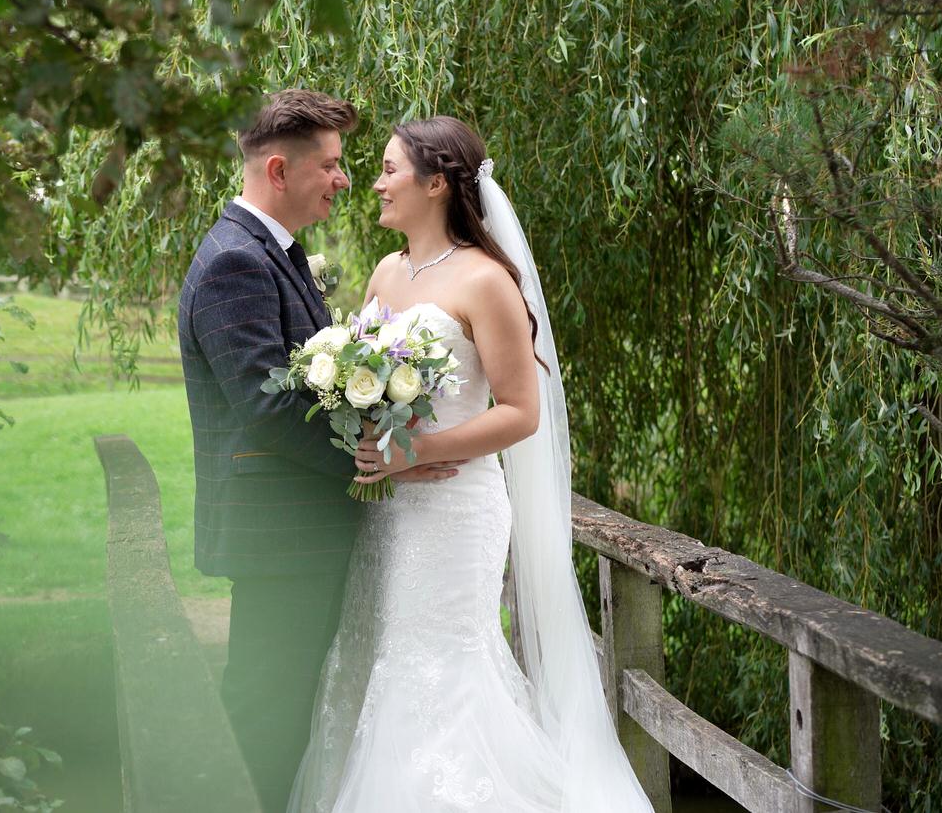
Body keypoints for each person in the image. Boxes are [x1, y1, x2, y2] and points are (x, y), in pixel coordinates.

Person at [287, 117, 656, 812]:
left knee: (438, 669)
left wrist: (413, 451)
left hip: (456, 512)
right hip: (388, 513)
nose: (376, 182)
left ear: (436, 183)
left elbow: (521, 411)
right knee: (376, 656)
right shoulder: (388, 272)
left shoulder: (486, 282)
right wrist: (365, 442)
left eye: (390, 169)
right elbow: (366, 395)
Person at [177, 90, 458, 812]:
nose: (342, 179)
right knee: (266, 719)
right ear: (279, 169)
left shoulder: (271, 254)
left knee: (288, 713)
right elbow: (269, 410)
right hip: (282, 537)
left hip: (296, 533)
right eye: (330, 165)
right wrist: (385, 460)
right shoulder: (235, 263)